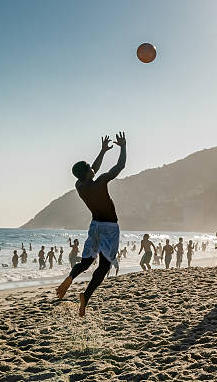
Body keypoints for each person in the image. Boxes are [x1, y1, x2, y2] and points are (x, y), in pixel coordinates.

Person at [56, 133, 126, 317]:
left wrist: (102, 151)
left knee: (86, 261)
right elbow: (120, 166)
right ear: (88, 173)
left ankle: (71, 278)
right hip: (110, 228)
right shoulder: (101, 181)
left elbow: (92, 169)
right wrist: (123, 147)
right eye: (89, 168)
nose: (92, 168)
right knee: (103, 266)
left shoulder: (80, 186)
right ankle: (86, 296)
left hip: (94, 226)